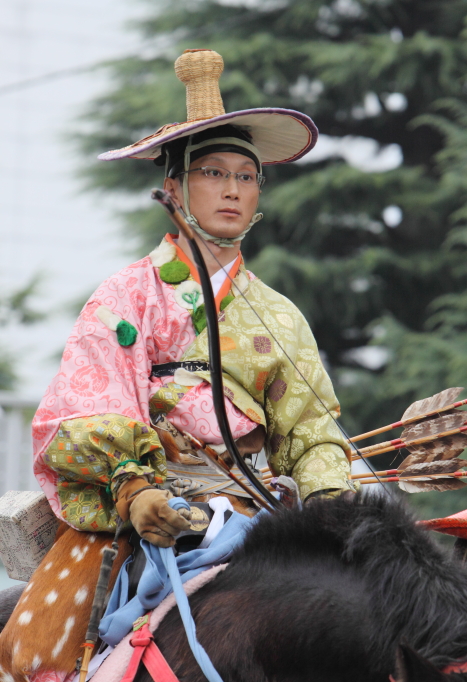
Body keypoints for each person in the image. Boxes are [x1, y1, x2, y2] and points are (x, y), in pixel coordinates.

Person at [0, 49, 353, 681]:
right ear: (172, 188)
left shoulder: (281, 316)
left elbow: (314, 432)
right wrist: (135, 489)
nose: (232, 190)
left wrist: (334, 512)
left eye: (246, 177)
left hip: (255, 514)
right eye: (213, 173)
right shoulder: (125, 296)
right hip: (145, 512)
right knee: (39, 651)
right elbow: (83, 409)